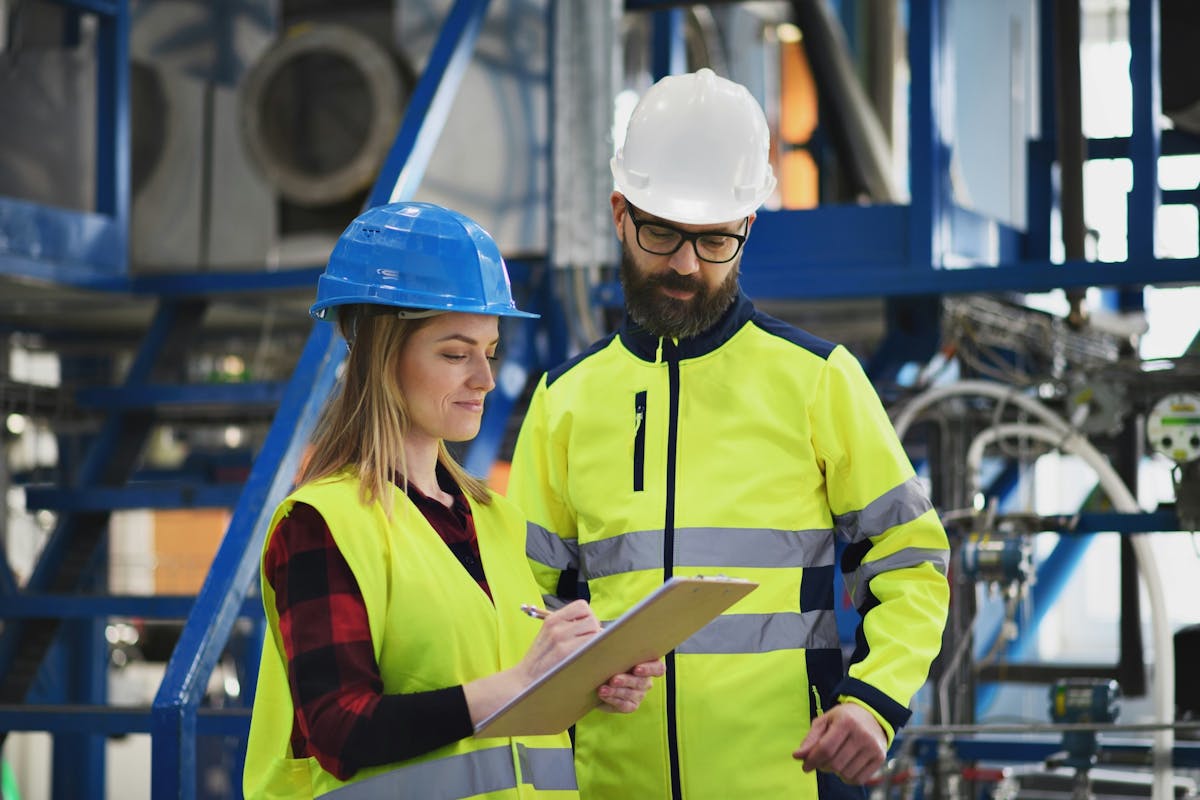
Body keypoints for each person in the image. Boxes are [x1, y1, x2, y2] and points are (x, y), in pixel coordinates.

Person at [506, 68, 951, 800]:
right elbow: (520, 603)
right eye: (661, 233)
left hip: (785, 783)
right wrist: (565, 663)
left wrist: (875, 701)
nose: (685, 264)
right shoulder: (564, 403)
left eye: (713, 240)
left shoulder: (818, 381)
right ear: (620, 212)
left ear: (747, 228)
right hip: (608, 787)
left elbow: (913, 562)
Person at [243, 202, 664, 800]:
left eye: (489, 352)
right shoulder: (323, 525)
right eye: (454, 353)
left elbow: (501, 713)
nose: (485, 379)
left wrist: (587, 679)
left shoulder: (493, 519)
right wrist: (519, 682)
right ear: (381, 356)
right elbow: (338, 731)